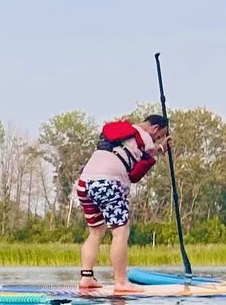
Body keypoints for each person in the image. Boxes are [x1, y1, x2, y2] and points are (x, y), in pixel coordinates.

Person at [72, 114, 173, 291]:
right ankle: (121, 282)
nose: (158, 139)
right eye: (160, 135)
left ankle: (86, 278)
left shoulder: (122, 130)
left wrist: (159, 147)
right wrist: (162, 148)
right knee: (120, 232)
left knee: (96, 231)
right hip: (108, 183)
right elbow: (147, 155)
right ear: (155, 128)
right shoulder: (145, 138)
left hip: (85, 183)